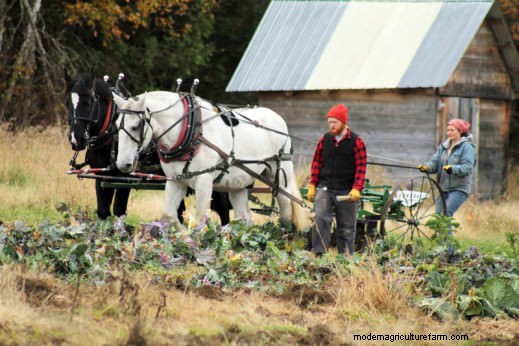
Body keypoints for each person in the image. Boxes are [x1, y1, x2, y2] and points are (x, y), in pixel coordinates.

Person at [306, 104, 367, 256]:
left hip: (347, 191)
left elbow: (361, 167)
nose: (331, 125)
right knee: (320, 220)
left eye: (335, 122)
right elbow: (316, 163)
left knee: (346, 227)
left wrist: (357, 188)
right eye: (330, 122)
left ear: (343, 122)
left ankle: (345, 258)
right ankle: (319, 254)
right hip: (326, 188)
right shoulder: (325, 140)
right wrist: (313, 185)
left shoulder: (356, 142)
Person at [418, 118, 476, 217]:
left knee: (446, 214)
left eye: (452, 130)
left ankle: (444, 233)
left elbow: (468, 167)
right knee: (437, 217)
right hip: (443, 188)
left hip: (459, 189)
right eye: (448, 130)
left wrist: (452, 169)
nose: (449, 133)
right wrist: (426, 167)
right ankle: (439, 233)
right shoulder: (443, 147)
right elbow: (434, 163)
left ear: (460, 131)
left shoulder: (467, 147)